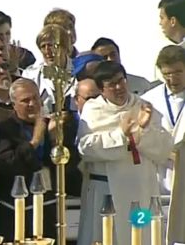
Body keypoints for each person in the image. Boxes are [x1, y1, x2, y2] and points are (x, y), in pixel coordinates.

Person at [76, 61, 173, 245]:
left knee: (142, 236)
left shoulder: (144, 107)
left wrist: (142, 131)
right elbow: (85, 148)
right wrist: (121, 135)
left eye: (121, 80)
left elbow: (164, 149)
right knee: (105, 238)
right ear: (101, 89)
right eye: (111, 84)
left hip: (141, 193)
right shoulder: (93, 110)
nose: (119, 87)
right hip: (106, 194)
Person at [0, 78, 56, 241]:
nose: (32, 103)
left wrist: (56, 140)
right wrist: (34, 141)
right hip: (18, 206)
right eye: (25, 100)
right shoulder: (4, 129)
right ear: (14, 105)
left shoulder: (52, 125)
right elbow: (9, 164)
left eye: (35, 98)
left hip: (47, 203)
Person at [142, 45, 185, 244]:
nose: (172, 79)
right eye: (167, 74)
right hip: (157, 179)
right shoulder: (148, 100)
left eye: (178, 72)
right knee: (154, 234)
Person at [22, 24, 76, 114]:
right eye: (43, 46)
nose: (47, 51)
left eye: (52, 45)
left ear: (65, 47)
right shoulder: (30, 75)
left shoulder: (80, 71)